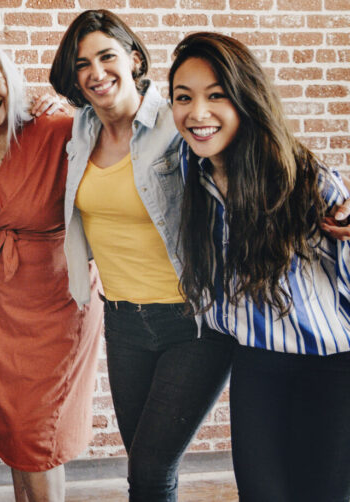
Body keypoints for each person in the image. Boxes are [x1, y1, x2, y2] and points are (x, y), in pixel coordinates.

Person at [48, 12, 236, 501]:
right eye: (82, 63)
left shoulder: (176, 123)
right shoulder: (80, 134)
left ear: (133, 58)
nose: (96, 71)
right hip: (124, 321)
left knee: (149, 471)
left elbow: (250, 152)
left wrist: (327, 195)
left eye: (107, 56)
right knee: (148, 468)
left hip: (192, 323)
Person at [170, 32, 350, 502]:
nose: (197, 113)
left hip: (332, 369)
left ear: (245, 99)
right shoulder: (196, 178)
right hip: (257, 363)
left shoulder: (306, 179)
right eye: (183, 98)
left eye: (216, 96)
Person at [0, 36, 104, 502]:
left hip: (57, 302)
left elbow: (121, 138)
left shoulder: (57, 129)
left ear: (10, 79)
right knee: (14, 432)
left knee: (39, 436)